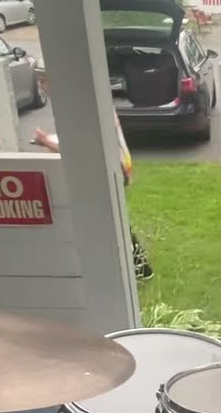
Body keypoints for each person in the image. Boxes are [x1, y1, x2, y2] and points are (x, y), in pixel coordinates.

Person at [31, 70, 153, 281]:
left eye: (44, 80)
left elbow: (79, 147)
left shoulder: (80, 106)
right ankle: (136, 267)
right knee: (112, 221)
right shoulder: (82, 102)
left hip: (110, 169)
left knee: (113, 222)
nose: (41, 85)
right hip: (112, 167)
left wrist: (46, 142)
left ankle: (140, 268)